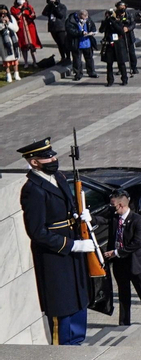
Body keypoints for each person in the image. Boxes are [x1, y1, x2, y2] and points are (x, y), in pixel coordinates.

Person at [18, 138, 93, 345]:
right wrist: (72, 245)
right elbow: (37, 232)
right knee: (63, 308)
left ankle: (78, 345)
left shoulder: (58, 177)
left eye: (53, 155)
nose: (53, 158)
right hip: (55, 258)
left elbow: (68, 208)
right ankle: (64, 354)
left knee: (79, 300)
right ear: (34, 162)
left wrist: (81, 217)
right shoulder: (33, 189)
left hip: (72, 254)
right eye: (47, 157)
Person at [105, 189, 141, 326]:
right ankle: (124, 322)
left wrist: (116, 252)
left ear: (121, 205)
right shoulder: (114, 218)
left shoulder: (138, 220)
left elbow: (137, 243)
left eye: (113, 205)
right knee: (123, 294)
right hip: (120, 264)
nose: (111, 208)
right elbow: (102, 220)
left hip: (136, 263)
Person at [100, 4, 130, 86]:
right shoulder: (106, 21)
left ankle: (124, 79)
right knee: (109, 64)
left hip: (118, 44)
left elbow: (121, 31)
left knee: (121, 63)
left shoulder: (117, 21)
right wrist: (106, 20)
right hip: (109, 45)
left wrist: (113, 21)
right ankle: (110, 80)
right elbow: (101, 30)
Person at [11, 0, 40, 68]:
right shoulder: (14, 8)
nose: (21, 0)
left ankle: (35, 62)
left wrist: (28, 11)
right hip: (21, 29)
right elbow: (16, 16)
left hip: (30, 28)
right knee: (24, 46)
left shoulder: (29, 7)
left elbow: (33, 16)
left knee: (32, 46)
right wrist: (21, 11)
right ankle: (26, 62)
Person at [66, 9, 96, 81]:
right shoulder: (71, 20)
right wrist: (80, 33)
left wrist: (92, 32)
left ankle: (91, 72)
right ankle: (78, 74)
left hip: (87, 42)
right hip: (77, 42)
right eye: (83, 18)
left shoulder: (88, 19)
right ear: (79, 16)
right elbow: (70, 31)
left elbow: (93, 26)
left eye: (86, 17)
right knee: (77, 59)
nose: (84, 19)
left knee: (89, 58)